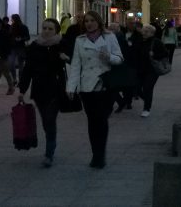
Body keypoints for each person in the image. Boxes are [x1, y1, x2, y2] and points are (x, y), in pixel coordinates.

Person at [66, 11, 123, 169]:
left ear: (98, 22)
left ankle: (101, 152)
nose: (89, 23)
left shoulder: (109, 37)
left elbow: (119, 58)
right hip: (87, 86)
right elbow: (76, 65)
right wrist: (71, 87)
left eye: (92, 20)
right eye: (86, 21)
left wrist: (109, 57)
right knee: (93, 121)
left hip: (105, 85)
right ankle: (96, 154)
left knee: (102, 119)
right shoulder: (80, 40)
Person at [18, 18, 67, 167]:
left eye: (50, 29)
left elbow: (75, 63)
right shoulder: (35, 46)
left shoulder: (61, 45)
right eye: (44, 28)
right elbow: (28, 69)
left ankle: (49, 153)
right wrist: (22, 90)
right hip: (39, 90)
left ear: (56, 31)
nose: (46, 31)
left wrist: (66, 58)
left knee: (49, 120)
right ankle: (51, 142)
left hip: (56, 89)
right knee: (46, 122)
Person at [135, 24, 167, 118]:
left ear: (152, 33)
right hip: (140, 69)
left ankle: (146, 109)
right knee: (136, 88)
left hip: (152, 70)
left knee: (147, 88)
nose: (144, 33)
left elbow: (165, 53)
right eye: (143, 31)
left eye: (146, 31)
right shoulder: (139, 41)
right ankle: (147, 99)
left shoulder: (156, 42)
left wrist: (154, 55)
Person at [8, 13, 31, 86]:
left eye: (12, 19)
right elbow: (8, 36)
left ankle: (20, 81)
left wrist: (21, 39)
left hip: (21, 47)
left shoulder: (23, 27)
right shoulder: (11, 27)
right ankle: (14, 79)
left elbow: (28, 37)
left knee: (21, 66)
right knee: (11, 64)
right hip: (12, 47)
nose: (11, 20)